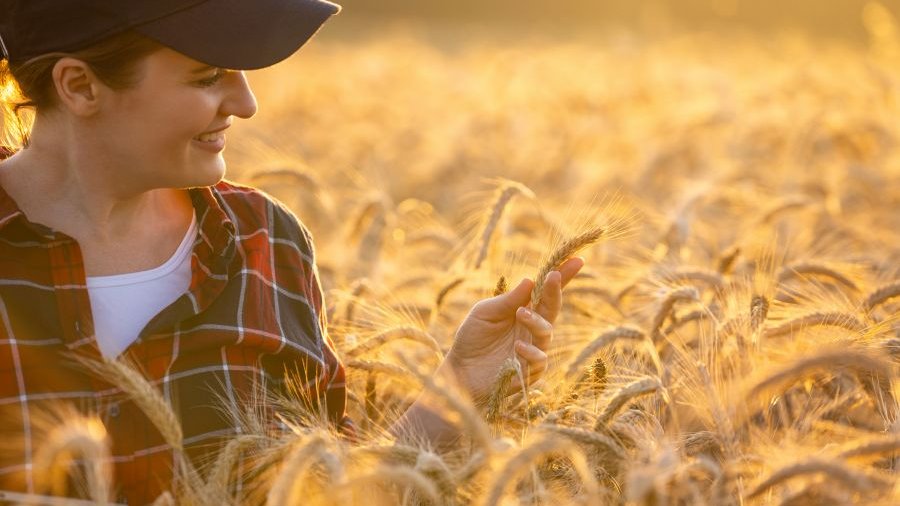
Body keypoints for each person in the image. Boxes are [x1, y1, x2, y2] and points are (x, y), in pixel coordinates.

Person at [0, 1, 583, 503]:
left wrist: (460, 385)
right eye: (207, 77)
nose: (246, 103)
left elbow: (330, 485)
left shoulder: (265, 240)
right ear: (79, 86)